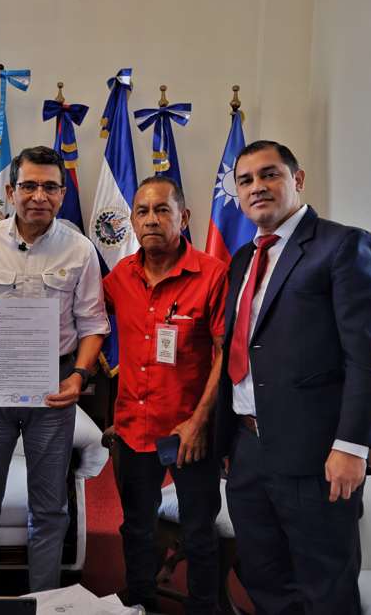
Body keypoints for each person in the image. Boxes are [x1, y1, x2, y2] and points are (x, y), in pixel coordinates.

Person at [215, 140, 371, 614]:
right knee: (263, 576)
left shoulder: (343, 246)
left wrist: (352, 447)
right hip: (248, 449)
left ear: (298, 179)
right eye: (245, 180)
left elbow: (368, 359)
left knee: (325, 586)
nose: (256, 187)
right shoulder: (242, 259)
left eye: (269, 174)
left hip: (317, 455)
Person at [0, 145, 109, 595]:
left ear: (62, 194)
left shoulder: (80, 249)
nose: (39, 195)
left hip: (54, 383)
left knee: (49, 507)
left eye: (50, 187)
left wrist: (79, 377)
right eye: (29, 186)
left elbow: (94, 325)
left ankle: (44, 601)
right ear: (11, 191)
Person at [103, 176, 226, 614]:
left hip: (188, 430)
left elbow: (224, 353)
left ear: (183, 217)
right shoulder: (119, 277)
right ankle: (141, 603)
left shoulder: (212, 275)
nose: (151, 220)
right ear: (132, 220)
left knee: (199, 531)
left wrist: (200, 422)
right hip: (134, 428)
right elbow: (84, 320)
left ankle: (204, 607)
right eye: (142, 211)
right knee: (136, 527)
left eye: (162, 210)